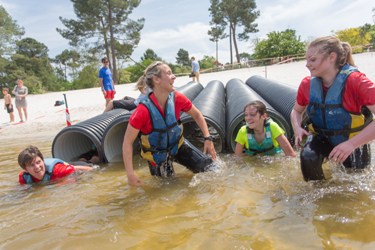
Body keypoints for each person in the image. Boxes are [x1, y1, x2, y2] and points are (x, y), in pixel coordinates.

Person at [290, 36, 375, 181]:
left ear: (332, 57)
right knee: (308, 157)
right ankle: (320, 200)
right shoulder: (306, 85)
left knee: (355, 181)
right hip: (322, 139)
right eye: (307, 60)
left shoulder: (356, 81)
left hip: (353, 142)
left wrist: (351, 144)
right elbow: (296, 111)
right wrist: (297, 127)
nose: (307, 64)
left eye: (312, 59)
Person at [122, 61, 216, 186]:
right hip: (157, 155)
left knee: (211, 168)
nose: (174, 76)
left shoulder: (177, 98)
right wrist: (130, 175)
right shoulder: (142, 112)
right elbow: (127, 143)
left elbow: (197, 115)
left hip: (178, 146)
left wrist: (207, 138)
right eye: (169, 73)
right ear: (156, 80)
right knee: (168, 187)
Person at [18, 145, 93, 185]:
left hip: (77, 166)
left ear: (43, 161)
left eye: (38, 162)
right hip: (66, 166)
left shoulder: (57, 170)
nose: (37, 167)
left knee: (91, 161)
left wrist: (94, 169)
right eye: (32, 165)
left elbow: (87, 169)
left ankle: (91, 158)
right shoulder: (24, 178)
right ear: (25, 169)